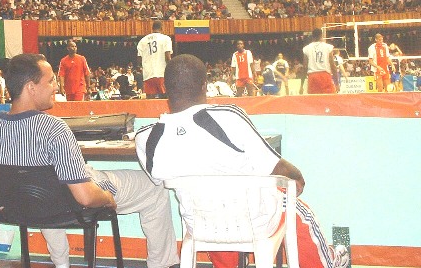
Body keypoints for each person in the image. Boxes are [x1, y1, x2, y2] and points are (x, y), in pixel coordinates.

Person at [0, 53, 179, 268]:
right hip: (72, 202)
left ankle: (61, 263)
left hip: (30, 206)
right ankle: (161, 265)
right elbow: (85, 197)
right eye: (50, 81)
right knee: (155, 186)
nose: (55, 87)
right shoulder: (54, 129)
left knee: (45, 193)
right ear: (31, 87)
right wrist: (107, 197)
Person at [135, 54, 349, 268]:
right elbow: (276, 167)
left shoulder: (146, 139)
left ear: (164, 86)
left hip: (202, 225)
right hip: (255, 221)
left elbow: (157, 180)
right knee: (297, 208)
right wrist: (297, 177)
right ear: (204, 85)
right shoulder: (228, 116)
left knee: (213, 211)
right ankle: (330, 262)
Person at [137, 21, 173, 98]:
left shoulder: (143, 40)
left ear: (152, 28)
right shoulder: (166, 38)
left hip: (148, 74)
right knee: (165, 99)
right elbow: (167, 57)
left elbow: (139, 59)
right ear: (162, 28)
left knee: (150, 101)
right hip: (161, 73)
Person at [302, 28, 337, 94]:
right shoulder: (328, 47)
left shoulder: (306, 48)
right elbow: (333, 66)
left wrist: (301, 85)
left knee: (314, 102)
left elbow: (305, 67)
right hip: (325, 76)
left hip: (312, 77)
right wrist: (337, 83)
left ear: (312, 36)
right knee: (330, 100)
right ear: (321, 35)